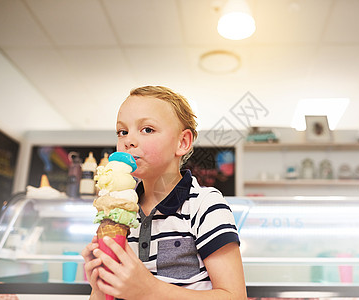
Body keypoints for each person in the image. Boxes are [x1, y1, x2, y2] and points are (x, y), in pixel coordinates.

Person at [81, 86, 246, 299]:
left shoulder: (204, 205)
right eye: (123, 131)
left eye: (147, 129)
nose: (128, 140)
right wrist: (100, 288)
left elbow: (235, 296)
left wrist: (150, 290)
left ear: (182, 142)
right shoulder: (120, 211)